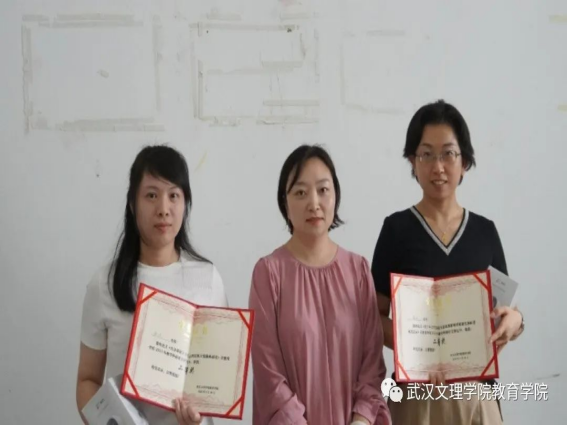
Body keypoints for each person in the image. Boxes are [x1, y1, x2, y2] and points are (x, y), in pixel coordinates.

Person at [371, 100, 524, 425]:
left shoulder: (484, 232)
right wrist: (419, 352)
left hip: (476, 398)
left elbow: (503, 313)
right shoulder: (396, 230)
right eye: (426, 154)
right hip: (415, 398)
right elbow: (373, 316)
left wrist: (516, 322)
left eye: (448, 154)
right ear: (412, 161)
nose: (438, 166)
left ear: (464, 161)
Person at [76, 145, 228, 425]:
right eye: (151, 195)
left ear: (185, 203)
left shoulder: (208, 279)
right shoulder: (104, 284)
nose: (163, 209)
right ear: (132, 204)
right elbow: (87, 380)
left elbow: (216, 379)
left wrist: (200, 414)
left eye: (173, 195)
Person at [249, 144, 391, 425]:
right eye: (300, 193)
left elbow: (372, 366)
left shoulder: (358, 271)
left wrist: (361, 420)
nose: (314, 203)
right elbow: (269, 374)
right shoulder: (269, 273)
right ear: (285, 203)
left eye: (323, 190)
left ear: (335, 195)